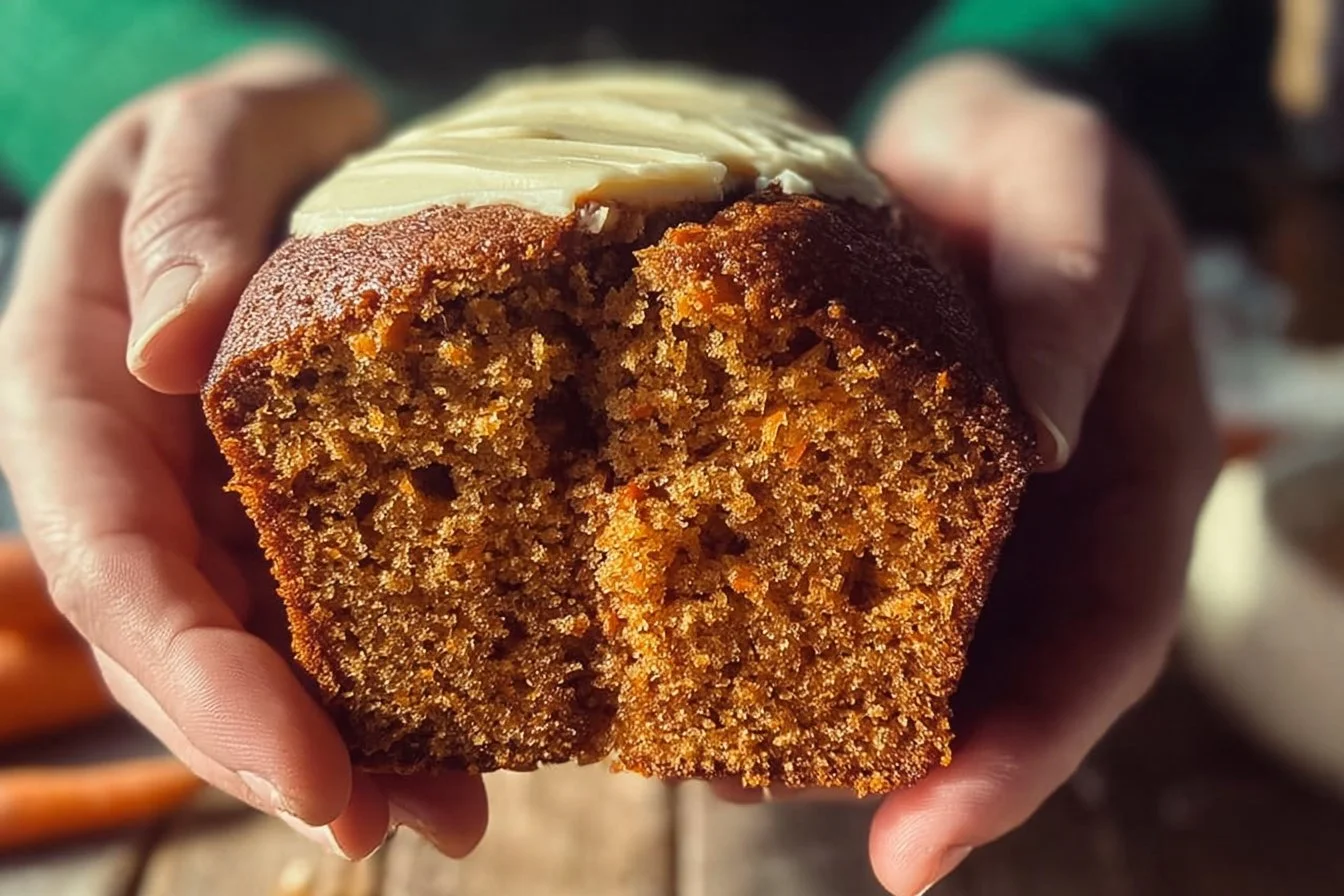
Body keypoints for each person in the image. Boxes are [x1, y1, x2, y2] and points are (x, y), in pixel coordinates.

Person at [0, 1, 1254, 893]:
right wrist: (142, 65)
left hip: (856, 144)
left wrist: (1044, 57)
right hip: (336, 159)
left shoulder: (860, 307)